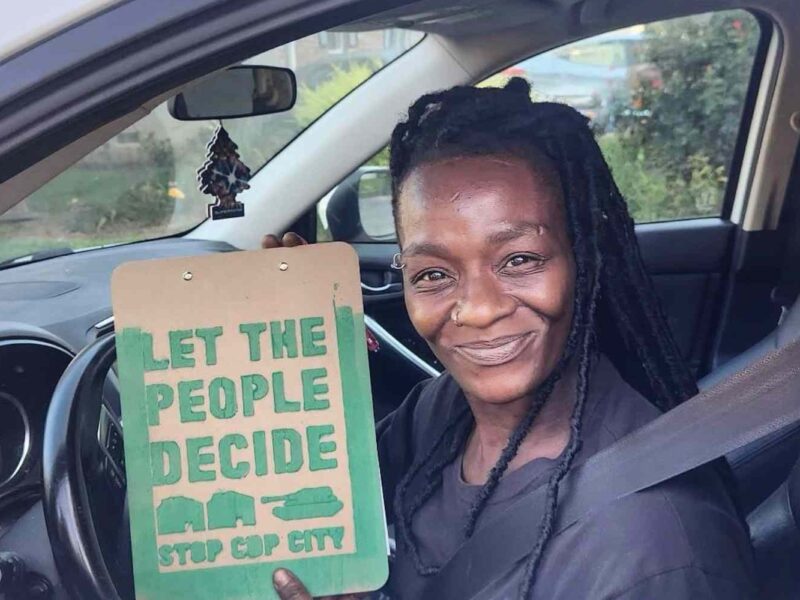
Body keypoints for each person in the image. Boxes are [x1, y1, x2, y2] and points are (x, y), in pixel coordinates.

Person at [266, 78, 756, 599]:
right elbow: (328, 501)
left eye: (520, 260)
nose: (478, 309)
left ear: (583, 260)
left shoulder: (654, 552)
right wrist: (301, 348)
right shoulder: (442, 411)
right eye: (432, 273)